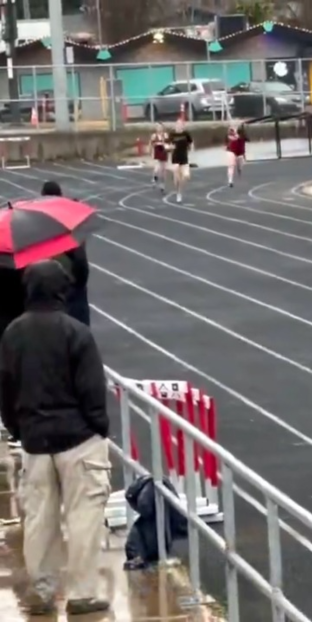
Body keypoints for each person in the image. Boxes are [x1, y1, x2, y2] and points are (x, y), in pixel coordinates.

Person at [0, 260, 111, 616]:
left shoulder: (12, 334)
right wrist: (99, 426)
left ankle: (42, 590)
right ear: (62, 290)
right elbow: (92, 389)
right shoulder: (76, 332)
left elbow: (5, 389)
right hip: (78, 439)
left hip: (34, 440)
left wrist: (19, 429)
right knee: (83, 517)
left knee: (38, 519)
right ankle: (82, 593)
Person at [39, 182, 90, 326]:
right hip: (73, 272)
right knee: (79, 317)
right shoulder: (70, 215)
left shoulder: (40, 219)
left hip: (54, 272)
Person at [167, 119, 192, 204]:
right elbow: (167, 144)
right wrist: (170, 147)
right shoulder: (172, 134)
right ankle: (178, 192)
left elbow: (191, 142)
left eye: (181, 124)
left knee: (186, 176)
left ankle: (180, 190)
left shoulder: (186, 133)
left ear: (183, 126)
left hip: (184, 157)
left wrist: (191, 149)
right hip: (175, 157)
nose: (179, 126)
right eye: (177, 124)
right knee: (177, 176)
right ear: (175, 125)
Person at [149, 122, 169, 193]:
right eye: (158, 127)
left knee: (163, 169)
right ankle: (155, 178)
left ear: (163, 128)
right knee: (158, 166)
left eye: (161, 127)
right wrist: (151, 152)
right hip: (158, 151)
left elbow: (168, 142)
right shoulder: (154, 136)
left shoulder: (165, 135)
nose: (159, 129)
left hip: (164, 151)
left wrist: (166, 145)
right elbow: (151, 144)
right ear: (156, 128)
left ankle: (162, 184)